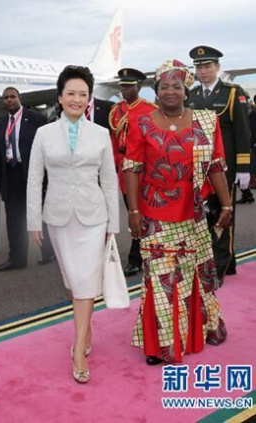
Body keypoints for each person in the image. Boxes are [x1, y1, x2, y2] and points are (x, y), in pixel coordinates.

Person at [124, 59, 230, 365]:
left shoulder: (206, 121)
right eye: (164, 87)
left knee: (190, 277)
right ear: (156, 91)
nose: (170, 91)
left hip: (193, 216)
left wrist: (225, 205)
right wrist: (132, 210)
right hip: (154, 217)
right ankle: (162, 346)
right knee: (159, 281)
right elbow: (132, 168)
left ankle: (197, 331)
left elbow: (216, 166)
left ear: (187, 90)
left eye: (177, 86)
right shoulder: (141, 122)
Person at [27, 65, 119, 384]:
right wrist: (32, 221)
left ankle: (78, 348)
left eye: (83, 94)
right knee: (72, 280)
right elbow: (34, 178)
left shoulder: (101, 134)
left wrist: (114, 223)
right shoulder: (43, 134)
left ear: (90, 99)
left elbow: (109, 179)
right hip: (58, 217)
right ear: (60, 97)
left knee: (85, 279)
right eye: (71, 93)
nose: (77, 99)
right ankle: (87, 326)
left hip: (94, 217)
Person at [187, 45, 251, 279]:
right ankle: (225, 262)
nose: (203, 71)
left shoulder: (232, 92)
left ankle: (220, 266)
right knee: (205, 216)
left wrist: (244, 167)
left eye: (207, 66)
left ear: (218, 67)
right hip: (199, 167)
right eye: (199, 67)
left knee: (224, 214)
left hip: (225, 167)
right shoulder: (192, 96)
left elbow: (243, 133)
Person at [0, 87, 53, 271]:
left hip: (31, 173)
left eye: (12, 97)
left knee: (39, 213)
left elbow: (47, 148)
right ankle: (17, 259)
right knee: (14, 219)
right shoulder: (1, 125)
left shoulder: (36, 119)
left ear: (19, 98)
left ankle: (48, 251)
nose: (9, 100)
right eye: (6, 98)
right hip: (11, 175)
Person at [109, 68, 158, 277]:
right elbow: (113, 143)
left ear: (138, 87)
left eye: (129, 86)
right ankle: (141, 254)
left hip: (145, 172)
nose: (124, 89)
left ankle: (137, 258)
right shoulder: (116, 111)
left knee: (147, 213)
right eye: (122, 85)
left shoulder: (150, 110)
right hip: (123, 174)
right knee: (134, 213)